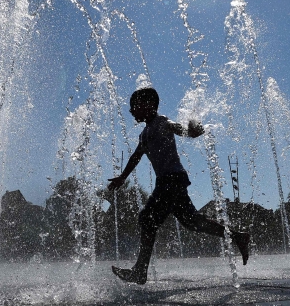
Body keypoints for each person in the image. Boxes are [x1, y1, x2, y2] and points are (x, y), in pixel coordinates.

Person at [107, 87, 250, 285]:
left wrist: (192, 131)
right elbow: (136, 156)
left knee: (148, 219)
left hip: (171, 179)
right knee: (191, 221)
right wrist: (122, 177)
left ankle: (140, 271)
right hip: (169, 180)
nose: (132, 111)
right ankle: (237, 237)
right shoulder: (144, 133)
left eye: (135, 106)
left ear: (149, 105)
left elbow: (181, 130)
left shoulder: (162, 122)